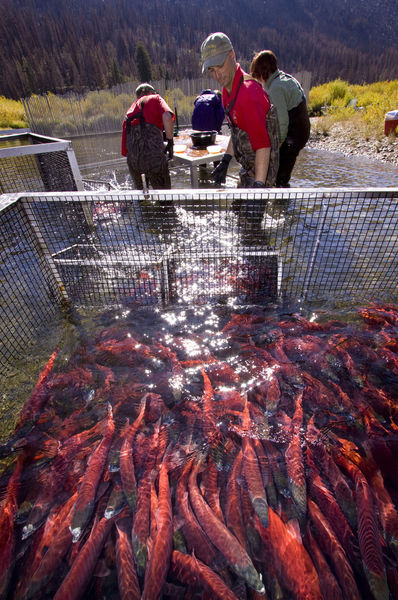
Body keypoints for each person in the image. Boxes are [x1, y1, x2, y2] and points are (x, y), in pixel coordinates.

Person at [200, 32, 279, 190]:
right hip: (247, 166)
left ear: (232, 55)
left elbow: (263, 146)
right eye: (211, 70)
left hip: (262, 168)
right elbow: (237, 132)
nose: (217, 75)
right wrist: (226, 160)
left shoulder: (248, 93)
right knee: (237, 211)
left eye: (220, 66)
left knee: (250, 214)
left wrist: (258, 187)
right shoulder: (227, 92)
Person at [250, 50, 310, 187]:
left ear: (262, 72)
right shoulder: (285, 78)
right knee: (282, 170)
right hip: (302, 131)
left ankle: (283, 205)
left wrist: (276, 149)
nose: (258, 80)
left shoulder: (276, 88)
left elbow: (282, 123)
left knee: (280, 177)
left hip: (293, 134)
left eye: (257, 75)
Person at [121, 83, 174, 190]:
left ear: (137, 96)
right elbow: (167, 116)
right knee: (164, 199)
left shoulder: (129, 112)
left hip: (133, 163)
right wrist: (170, 142)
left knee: (143, 199)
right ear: (152, 92)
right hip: (154, 160)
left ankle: (145, 204)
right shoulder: (155, 98)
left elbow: (125, 151)